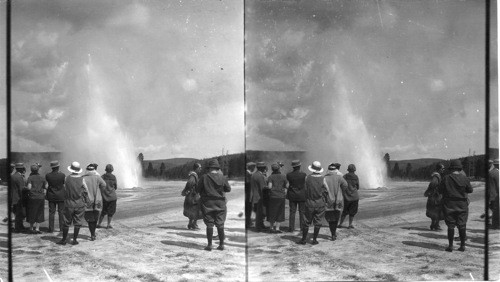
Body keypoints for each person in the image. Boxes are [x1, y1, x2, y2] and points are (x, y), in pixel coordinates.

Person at [196, 159, 231, 251]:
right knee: (220, 224)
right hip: (220, 203)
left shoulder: (204, 177)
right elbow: (228, 189)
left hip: (208, 203)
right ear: (217, 168)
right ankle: (221, 244)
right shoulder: (222, 177)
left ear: (209, 168)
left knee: (209, 224)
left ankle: (209, 245)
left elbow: (198, 190)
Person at [439, 159, 473, 252]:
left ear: (451, 168)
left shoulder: (446, 178)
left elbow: (440, 190)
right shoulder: (465, 178)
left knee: (450, 225)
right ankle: (462, 246)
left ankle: (450, 246)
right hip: (462, 205)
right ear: (459, 168)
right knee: (462, 225)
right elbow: (470, 190)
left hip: (449, 205)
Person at [298, 161, 328, 245]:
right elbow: (327, 190)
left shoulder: (307, 178)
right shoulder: (323, 178)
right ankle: (314, 239)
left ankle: (303, 239)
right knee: (318, 222)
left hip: (309, 203)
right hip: (320, 203)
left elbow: (304, 189)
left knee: (306, 221)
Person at [58, 161, 87, 245]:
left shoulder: (66, 178)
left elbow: (63, 189)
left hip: (69, 203)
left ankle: (63, 240)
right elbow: (86, 191)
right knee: (77, 222)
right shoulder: (82, 179)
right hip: (79, 203)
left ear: (71, 169)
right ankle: (74, 239)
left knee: (66, 222)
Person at [82, 163, 106, 241]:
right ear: (94, 170)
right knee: (95, 217)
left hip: (87, 201)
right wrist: (99, 191)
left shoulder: (83, 178)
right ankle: (93, 234)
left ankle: (92, 234)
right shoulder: (98, 178)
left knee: (89, 219)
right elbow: (104, 185)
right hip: (97, 201)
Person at [324, 163, 347, 241]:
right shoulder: (339, 178)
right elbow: (345, 185)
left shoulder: (324, 178)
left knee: (330, 218)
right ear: (335, 170)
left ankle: (332, 233)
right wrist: (341, 191)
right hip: (338, 200)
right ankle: (334, 233)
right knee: (337, 216)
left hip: (328, 201)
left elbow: (322, 189)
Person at [26, 164, 48, 234]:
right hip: (41, 197)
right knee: (40, 212)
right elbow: (46, 186)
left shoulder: (30, 178)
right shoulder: (42, 177)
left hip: (32, 197)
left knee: (32, 212)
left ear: (31, 170)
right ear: (38, 170)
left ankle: (31, 228)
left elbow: (29, 187)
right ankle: (37, 228)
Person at [286, 160, 307, 233]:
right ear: (299, 166)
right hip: (302, 195)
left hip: (292, 195)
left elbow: (288, 184)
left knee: (292, 212)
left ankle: (291, 228)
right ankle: (302, 227)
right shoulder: (304, 174)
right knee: (302, 212)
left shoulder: (289, 175)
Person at [266, 163, 288, 233]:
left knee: (272, 212)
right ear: (279, 168)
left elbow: (269, 187)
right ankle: (277, 228)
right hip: (281, 196)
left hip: (273, 196)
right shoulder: (283, 176)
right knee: (280, 212)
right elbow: (287, 186)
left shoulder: (270, 177)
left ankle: (271, 228)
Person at [45, 161, 66, 233]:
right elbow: (63, 183)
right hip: (61, 195)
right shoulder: (62, 175)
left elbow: (48, 185)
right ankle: (62, 228)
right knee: (61, 212)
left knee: (51, 212)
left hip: (51, 195)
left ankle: (51, 229)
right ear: (58, 167)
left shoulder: (48, 175)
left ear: (52, 167)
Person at [423, 163, 445, 231]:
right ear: (439, 169)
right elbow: (432, 184)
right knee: (437, 210)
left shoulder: (436, 175)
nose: (443, 170)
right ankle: (436, 226)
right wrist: (436, 190)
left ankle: (433, 225)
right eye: (442, 168)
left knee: (434, 210)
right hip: (436, 197)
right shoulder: (436, 176)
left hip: (434, 197)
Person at [181, 163, 202, 230]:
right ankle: (194, 224)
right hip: (193, 196)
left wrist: (186, 191)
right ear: (196, 168)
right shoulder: (193, 175)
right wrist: (189, 190)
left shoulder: (193, 175)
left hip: (191, 195)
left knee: (192, 209)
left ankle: (190, 224)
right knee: (196, 209)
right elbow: (190, 183)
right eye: (199, 168)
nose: (200, 169)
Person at [339, 164, 360, 229]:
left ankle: (340, 224)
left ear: (348, 170)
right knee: (352, 212)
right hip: (355, 197)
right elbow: (358, 187)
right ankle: (350, 224)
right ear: (354, 170)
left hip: (346, 197)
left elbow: (341, 185)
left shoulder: (344, 176)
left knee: (345, 211)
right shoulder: (356, 177)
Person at [98, 164, 118, 229]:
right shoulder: (113, 177)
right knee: (111, 211)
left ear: (106, 169)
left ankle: (99, 224)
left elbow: (99, 185)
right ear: (112, 170)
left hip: (105, 197)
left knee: (103, 211)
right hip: (112, 197)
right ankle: (108, 224)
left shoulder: (102, 177)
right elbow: (115, 187)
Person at [250, 162, 268, 232]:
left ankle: (261, 225)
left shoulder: (254, 174)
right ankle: (258, 227)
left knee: (258, 212)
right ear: (262, 168)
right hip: (259, 197)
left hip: (255, 196)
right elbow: (262, 188)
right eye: (264, 167)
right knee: (259, 213)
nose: (265, 169)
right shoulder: (259, 176)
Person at [11, 163, 27, 232]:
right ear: (21, 169)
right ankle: (18, 228)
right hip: (18, 198)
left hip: (13, 197)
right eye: (23, 168)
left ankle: (20, 226)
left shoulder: (13, 176)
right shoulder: (19, 177)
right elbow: (21, 189)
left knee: (17, 212)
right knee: (20, 213)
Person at [488, 159, 499, 229]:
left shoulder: (491, 172)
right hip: (495, 195)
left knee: (495, 210)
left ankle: (495, 224)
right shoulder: (496, 173)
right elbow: (498, 185)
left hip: (492, 194)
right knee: (496, 210)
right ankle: (495, 225)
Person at [245, 162, 256, 228]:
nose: (254, 168)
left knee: (249, 209)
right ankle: (247, 223)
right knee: (248, 209)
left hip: (248, 194)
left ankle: (248, 222)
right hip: (248, 194)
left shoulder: (249, 174)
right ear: (251, 167)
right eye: (253, 167)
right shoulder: (247, 174)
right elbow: (248, 184)